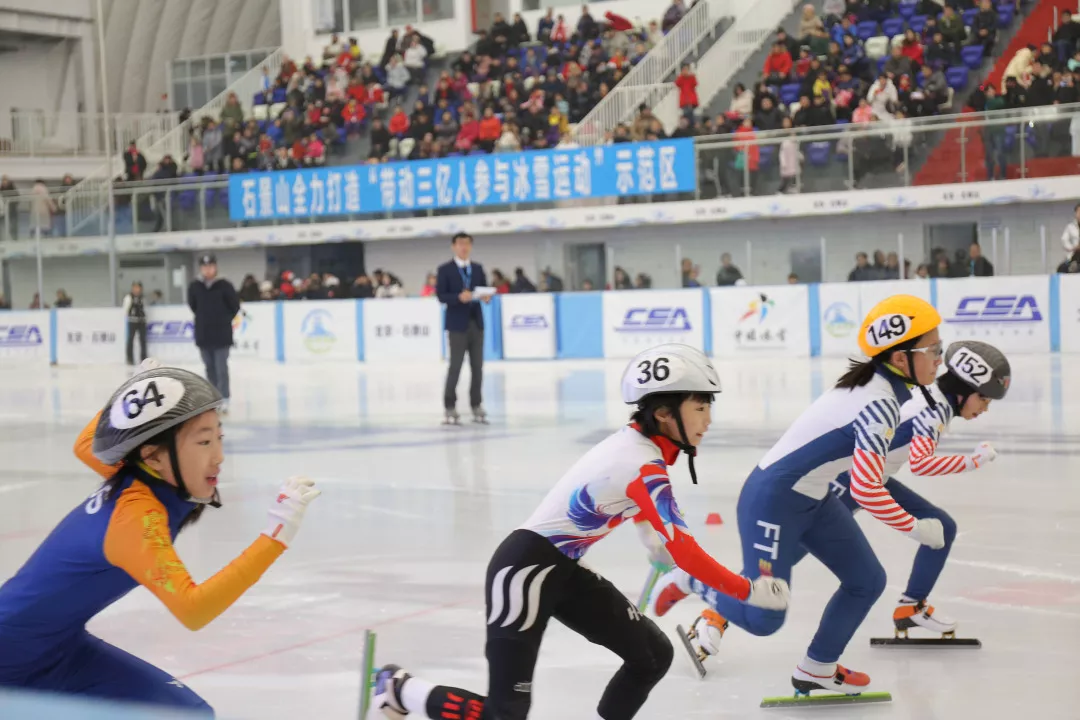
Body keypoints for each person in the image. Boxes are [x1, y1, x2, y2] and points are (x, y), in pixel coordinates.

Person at [375, 345, 789, 719]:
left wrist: (648, 535)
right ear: (664, 412)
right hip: (524, 571)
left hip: (563, 568)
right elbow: (686, 552)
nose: (709, 419)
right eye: (700, 408)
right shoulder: (642, 464)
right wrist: (746, 590)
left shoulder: (641, 449)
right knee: (506, 713)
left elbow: (622, 496)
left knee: (652, 655)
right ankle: (400, 690)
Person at [652, 296, 947, 697]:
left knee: (867, 580)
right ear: (900, 359)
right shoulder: (878, 403)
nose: (940, 358)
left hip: (812, 497)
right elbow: (864, 488)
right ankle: (689, 580)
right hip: (772, 501)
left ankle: (817, 668)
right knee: (765, 617)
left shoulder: (880, 388)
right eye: (933, 350)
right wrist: (914, 527)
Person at [0, 364, 320, 711]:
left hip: (57, 648)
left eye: (218, 438)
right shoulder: (135, 519)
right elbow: (193, 609)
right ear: (152, 455)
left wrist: (136, 395)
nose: (219, 457)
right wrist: (277, 533)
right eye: (203, 442)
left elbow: (85, 445)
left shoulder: (137, 471)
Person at [826, 340, 1008, 638]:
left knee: (943, 527)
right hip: (850, 479)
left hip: (870, 476)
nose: (985, 409)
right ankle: (720, 614)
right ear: (964, 392)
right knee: (791, 550)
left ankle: (910, 608)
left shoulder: (934, 396)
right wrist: (973, 461)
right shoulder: (936, 409)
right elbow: (921, 464)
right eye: (984, 400)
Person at [438, 233, 490, 424]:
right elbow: (441, 296)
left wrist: (485, 296)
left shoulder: (477, 268)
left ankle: (476, 405)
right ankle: (449, 406)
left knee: (478, 367)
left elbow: (483, 289)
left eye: (467, 244)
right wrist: (458, 298)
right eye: (460, 244)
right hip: (457, 325)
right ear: (453, 246)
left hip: (476, 324)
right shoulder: (445, 270)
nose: (464, 247)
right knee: (456, 367)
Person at [187, 254, 240, 413]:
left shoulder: (225, 285)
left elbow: (234, 306)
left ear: (215, 267)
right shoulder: (195, 286)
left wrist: (222, 320)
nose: (207, 269)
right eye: (204, 267)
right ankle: (215, 398)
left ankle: (225, 398)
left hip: (222, 335)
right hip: (204, 335)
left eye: (210, 266)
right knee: (209, 368)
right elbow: (193, 305)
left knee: (221, 368)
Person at [122, 281, 148, 366]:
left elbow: (145, 308)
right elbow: (125, 309)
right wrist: (129, 317)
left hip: (141, 321)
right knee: (130, 340)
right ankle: (130, 359)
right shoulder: (129, 297)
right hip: (132, 321)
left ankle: (143, 359)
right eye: (135, 288)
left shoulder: (142, 298)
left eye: (138, 288)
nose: (137, 290)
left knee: (143, 340)